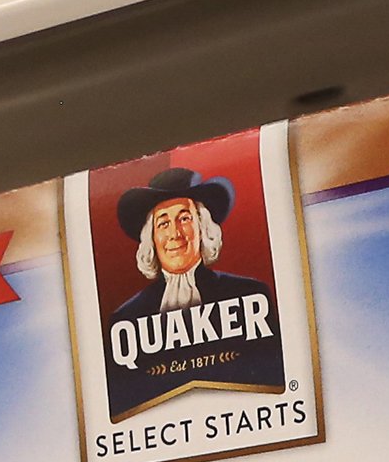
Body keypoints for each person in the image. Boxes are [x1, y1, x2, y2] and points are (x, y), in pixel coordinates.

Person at [103, 163, 284, 396]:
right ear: (152, 238)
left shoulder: (249, 297)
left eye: (184, 218)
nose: (175, 234)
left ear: (203, 228)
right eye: (163, 223)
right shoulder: (126, 320)